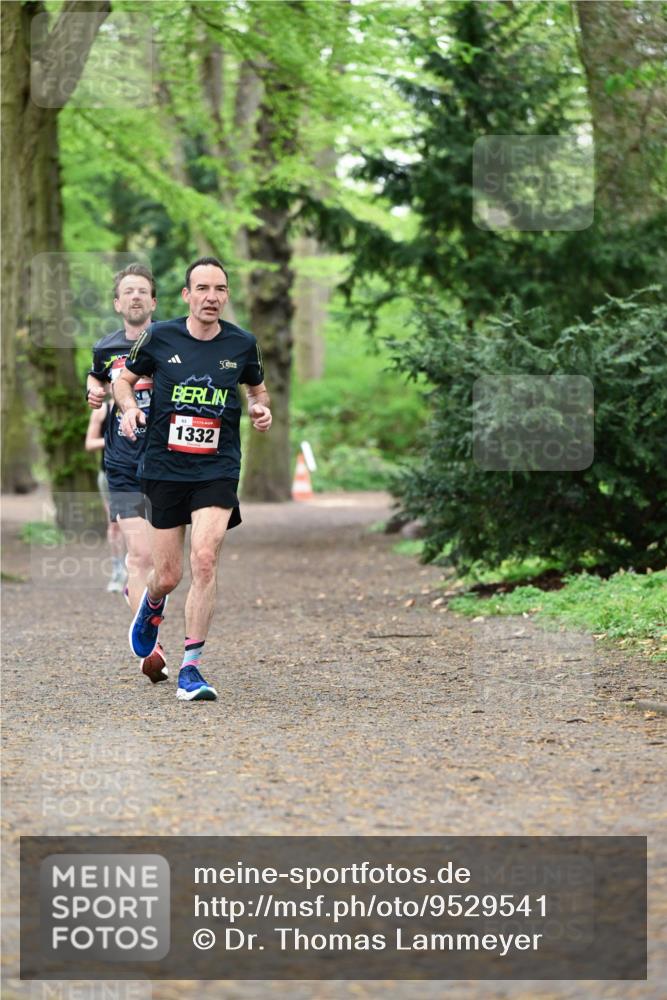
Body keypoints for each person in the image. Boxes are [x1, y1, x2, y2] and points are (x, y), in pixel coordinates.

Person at [114, 256, 272, 702]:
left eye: (219, 289)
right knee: (167, 575)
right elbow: (124, 381)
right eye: (202, 288)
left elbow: (257, 391)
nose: (211, 297)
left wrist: (261, 409)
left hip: (217, 467)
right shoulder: (160, 336)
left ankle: (191, 669)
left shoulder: (243, 344)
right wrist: (129, 409)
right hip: (164, 467)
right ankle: (151, 605)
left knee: (205, 559)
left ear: (226, 296)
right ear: (187, 295)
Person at [86, 263, 167, 683]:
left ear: (153, 302)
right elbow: (96, 381)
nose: (135, 297)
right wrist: (93, 389)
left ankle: (144, 606)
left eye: (143, 291)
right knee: (140, 556)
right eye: (127, 292)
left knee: (166, 566)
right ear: (118, 303)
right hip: (122, 464)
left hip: (167, 463)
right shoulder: (106, 347)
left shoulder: (173, 343)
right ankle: (151, 646)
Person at [84, 399, 127, 593]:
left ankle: (137, 569)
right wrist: (114, 438)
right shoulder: (104, 409)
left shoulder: (148, 404)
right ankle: (118, 572)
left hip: (140, 475)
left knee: (139, 524)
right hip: (109, 474)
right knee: (115, 524)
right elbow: (90, 443)